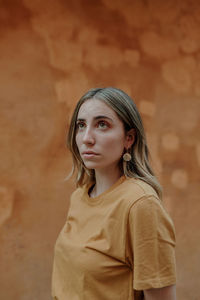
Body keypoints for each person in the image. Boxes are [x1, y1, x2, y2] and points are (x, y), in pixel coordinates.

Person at [51, 87, 176, 300]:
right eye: (81, 125)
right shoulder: (80, 196)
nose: (86, 138)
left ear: (129, 138)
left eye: (102, 125)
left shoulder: (140, 204)